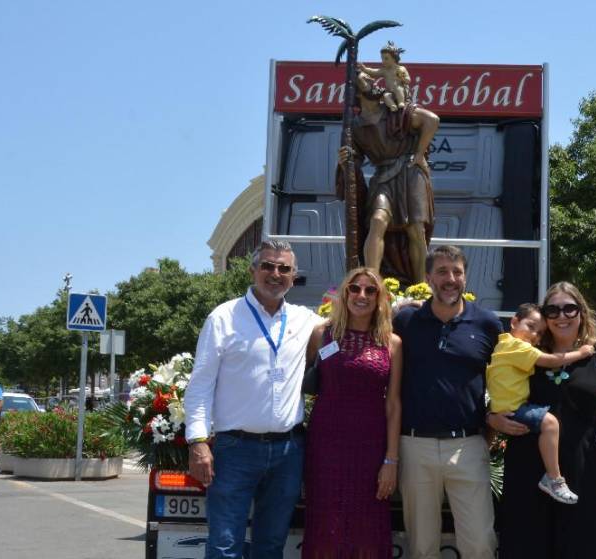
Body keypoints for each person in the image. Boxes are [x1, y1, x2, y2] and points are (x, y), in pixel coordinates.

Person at [184, 240, 322, 559]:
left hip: (288, 452)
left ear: (294, 275)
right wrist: (198, 442)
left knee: (271, 546)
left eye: (284, 268)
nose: (275, 274)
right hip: (235, 451)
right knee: (224, 546)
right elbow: (201, 385)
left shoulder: (306, 320)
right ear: (253, 270)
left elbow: (352, 320)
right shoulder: (223, 318)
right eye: (268, 266)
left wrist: (402, 307)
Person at [490, 282, 596, 559]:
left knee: (584, 546)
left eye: (569, 308)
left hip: (584, 468)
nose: (561, 316)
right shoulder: (526, 352)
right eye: (552, 310)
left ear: (581, 312)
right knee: (528, 546)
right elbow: (498, 392)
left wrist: (592, 420)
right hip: (529, 466)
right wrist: (493, 418)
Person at [393, 245, 502, 559]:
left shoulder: (487, 324)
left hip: (468, 446)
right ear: (428, 277)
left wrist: (491, 430)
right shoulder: (406, 323)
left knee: (480, 543)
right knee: (421, 547)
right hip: (415, 447)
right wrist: (399, 304)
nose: (450, 278)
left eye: (457, 272)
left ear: (465, 277)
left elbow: (504, 383)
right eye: (442, 271)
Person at [302, 267, 403, 559]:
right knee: (326, 527)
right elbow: (304, 384)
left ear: (380, 298)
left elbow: (393, 404)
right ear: (344, 293)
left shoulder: (391, 343)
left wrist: (391, 460)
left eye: (370, 290)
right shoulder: (322, 334)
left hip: (371, 448)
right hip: (325, 447)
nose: (362, 295)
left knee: (367, 529)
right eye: (354, 289)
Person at [486, 303, 596, 504]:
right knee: (550, 424)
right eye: (530, 327)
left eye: (540, 332)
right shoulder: (517, 346)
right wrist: (581, 353)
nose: (534, 335)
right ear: (514, 322)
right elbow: (551, 360)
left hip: (507, 407)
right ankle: (554, 479)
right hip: (513, 408)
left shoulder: (504, 345)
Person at [337, 68, 439, 284]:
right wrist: (345, 161)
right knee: (377, 220)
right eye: (366, 79)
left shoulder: (397, 112)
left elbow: (431, 120)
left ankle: (420, 288)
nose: (373, 81)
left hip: (410, 171)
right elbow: (353, 163)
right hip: (383, 176)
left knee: (416, 229)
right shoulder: (354, 127)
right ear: (355, 92)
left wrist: (419, 154)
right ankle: (372, 283)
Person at [358, 41, 411, 112]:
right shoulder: (384, 70)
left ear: (394, 58)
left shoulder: (400, 69)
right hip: (390, 93)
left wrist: (402, 77)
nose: (383, 61)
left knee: (398, 88)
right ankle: (392, 106)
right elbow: (374, 72)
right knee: (386, 96)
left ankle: (401, 102)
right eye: (382, 58)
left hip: (401, 92)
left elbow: (408, 81)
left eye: (386, 58)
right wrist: (364, 69)